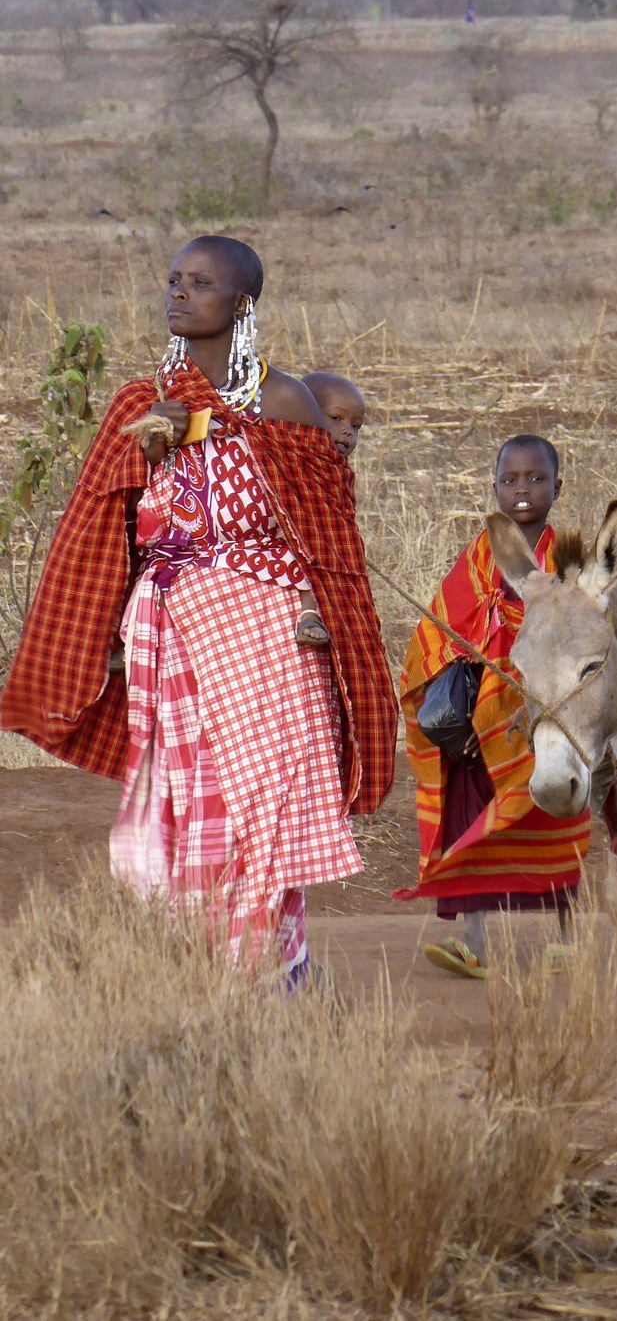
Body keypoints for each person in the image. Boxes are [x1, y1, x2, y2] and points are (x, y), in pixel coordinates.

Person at [0, 235, 398, 983]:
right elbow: (99, 526)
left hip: (268, 636)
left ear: (240, 304)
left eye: (201, 283)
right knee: (189, 808)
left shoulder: (284, 403)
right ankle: (202, 977)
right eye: (174, 280)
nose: (178, 293)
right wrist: (149, 448)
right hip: (170, 629)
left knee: (261, 805)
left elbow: (328, 535)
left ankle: (271, 978)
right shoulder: (138, 404)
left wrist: (211, 432)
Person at [396, 433, 591, 978]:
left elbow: (581, 635)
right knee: (472, 823)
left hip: (545, 721)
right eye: (510, 480)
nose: (522, 490)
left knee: (554, 824)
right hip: (478, 726)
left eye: (535, 479)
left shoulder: (568, 560)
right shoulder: (479, 556)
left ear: (558, 485)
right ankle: (472, 941)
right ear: (495, 487)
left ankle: (566, 940)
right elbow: (442, 622)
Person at [292, 372, 367, 648]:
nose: (348, 431)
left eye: (356, 426)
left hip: (333, 566)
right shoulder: (288, 461)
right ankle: (309, 615)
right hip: (292, 561)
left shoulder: (340, 475)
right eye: (336, 419)